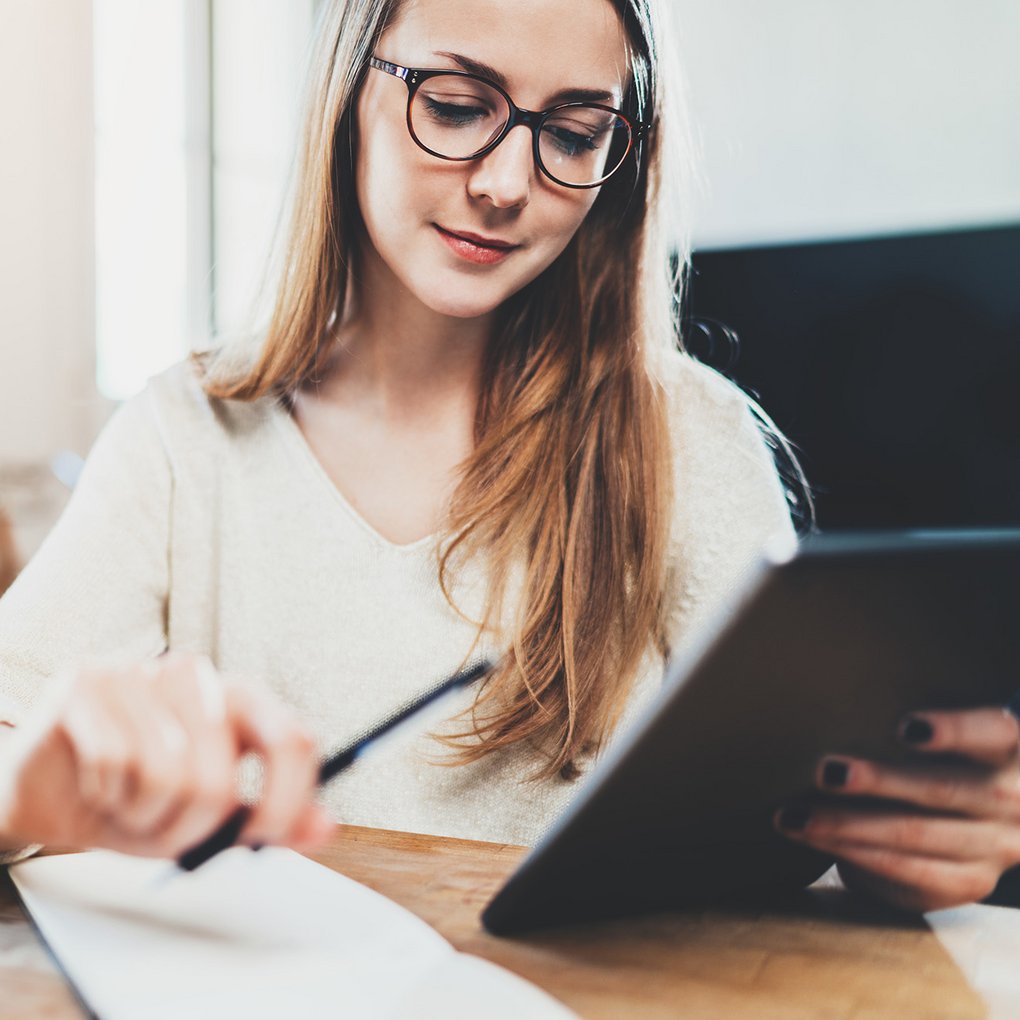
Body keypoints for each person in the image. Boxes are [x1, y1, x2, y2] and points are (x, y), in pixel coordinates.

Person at [1, 0, 1018, 915]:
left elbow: (791, 834)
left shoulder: (685, 441)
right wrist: (32, 789)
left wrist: (899, 854)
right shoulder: (188, 436)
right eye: (453, 107)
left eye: (574, 134)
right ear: (346, 89)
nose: (503, 185)